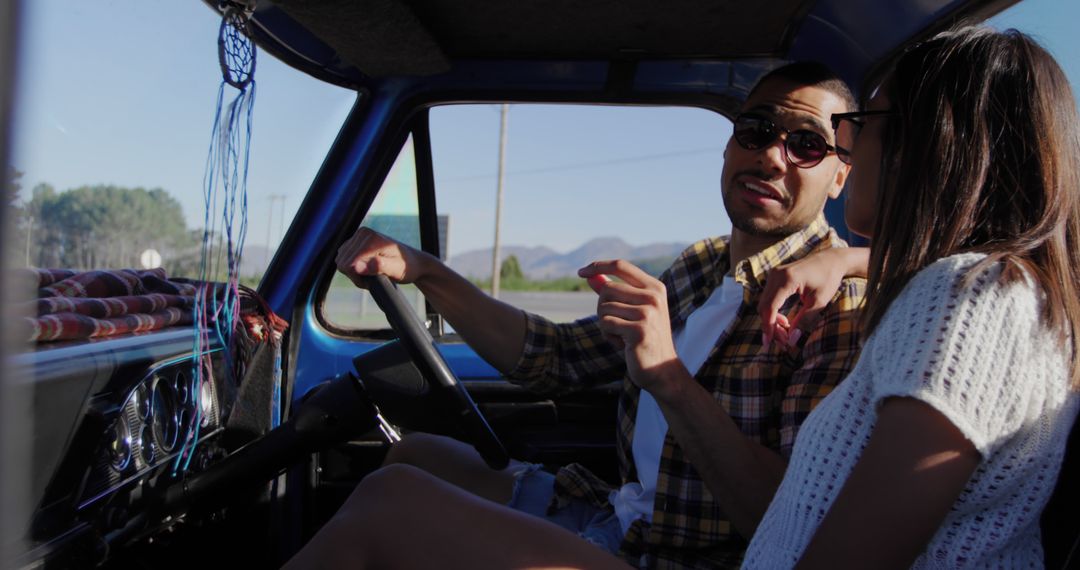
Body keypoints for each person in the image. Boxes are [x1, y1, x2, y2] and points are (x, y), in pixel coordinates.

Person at [284, 62, 867, 569]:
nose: (771, 156)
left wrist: (665, 375)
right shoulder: (702, 265)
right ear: (729, 144)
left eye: (806, 145)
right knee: (416, 454)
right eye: (757, 130)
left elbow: (787, 521)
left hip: (682, 562)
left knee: (391, 505)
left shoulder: (835, 303)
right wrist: (424, 271)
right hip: (622, 521)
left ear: (840, 172)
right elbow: (556, 359)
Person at [741, 26, 1080, 568]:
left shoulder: (972, 298)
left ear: (920, 145)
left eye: (860, 125)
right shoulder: (994, 291)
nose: (846, 148)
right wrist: (845, 258)